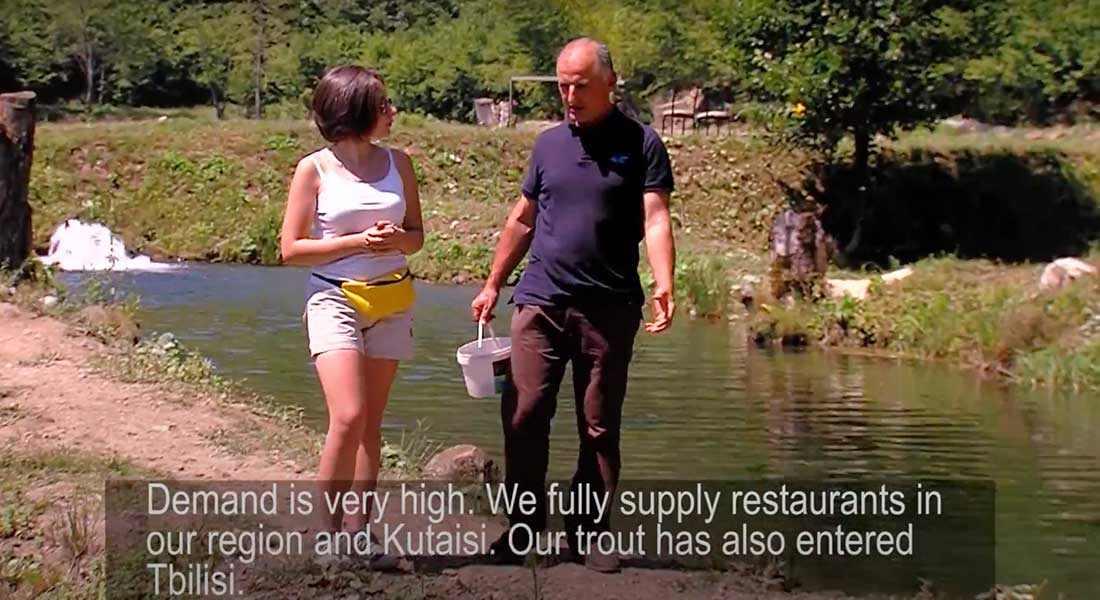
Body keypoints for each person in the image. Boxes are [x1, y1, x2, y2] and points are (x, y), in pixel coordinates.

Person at [470, 38, 676, 573]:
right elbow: (522, 218)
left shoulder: (643, 143)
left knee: (599, 424)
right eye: (563, 84)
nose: (569, 94)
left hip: (609, 307)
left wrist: (664, 278)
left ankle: (587, 534)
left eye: (580, 85)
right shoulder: (547, 145)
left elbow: (655, 218)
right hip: (539, 300)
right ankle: (521, 531)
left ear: (610, 81)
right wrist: (494, 281)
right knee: (524, 412)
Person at [280, 65, 423, 563]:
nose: (392, 112)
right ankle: (325, 534)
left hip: (390, 298)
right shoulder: (313, 168)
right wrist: (356, 243)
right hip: (333, 297)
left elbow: (417, 236)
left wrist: (396, 240)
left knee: (371, 425)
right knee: (348, 414)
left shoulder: (399, 163)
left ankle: (360, 534)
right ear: (357, 110)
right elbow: (291, 250)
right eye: (384, 104)